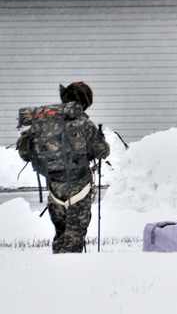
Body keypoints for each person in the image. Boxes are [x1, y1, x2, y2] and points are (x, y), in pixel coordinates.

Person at [16, 82, 110, 254]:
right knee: (75, 237)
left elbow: (24, 152)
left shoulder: (43, 122)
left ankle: (57, 271)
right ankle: (70, 275)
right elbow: (103, 151)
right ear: (85, 102)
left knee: (60, 234)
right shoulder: (83, 123)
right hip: (79, 189)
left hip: (54, 191)